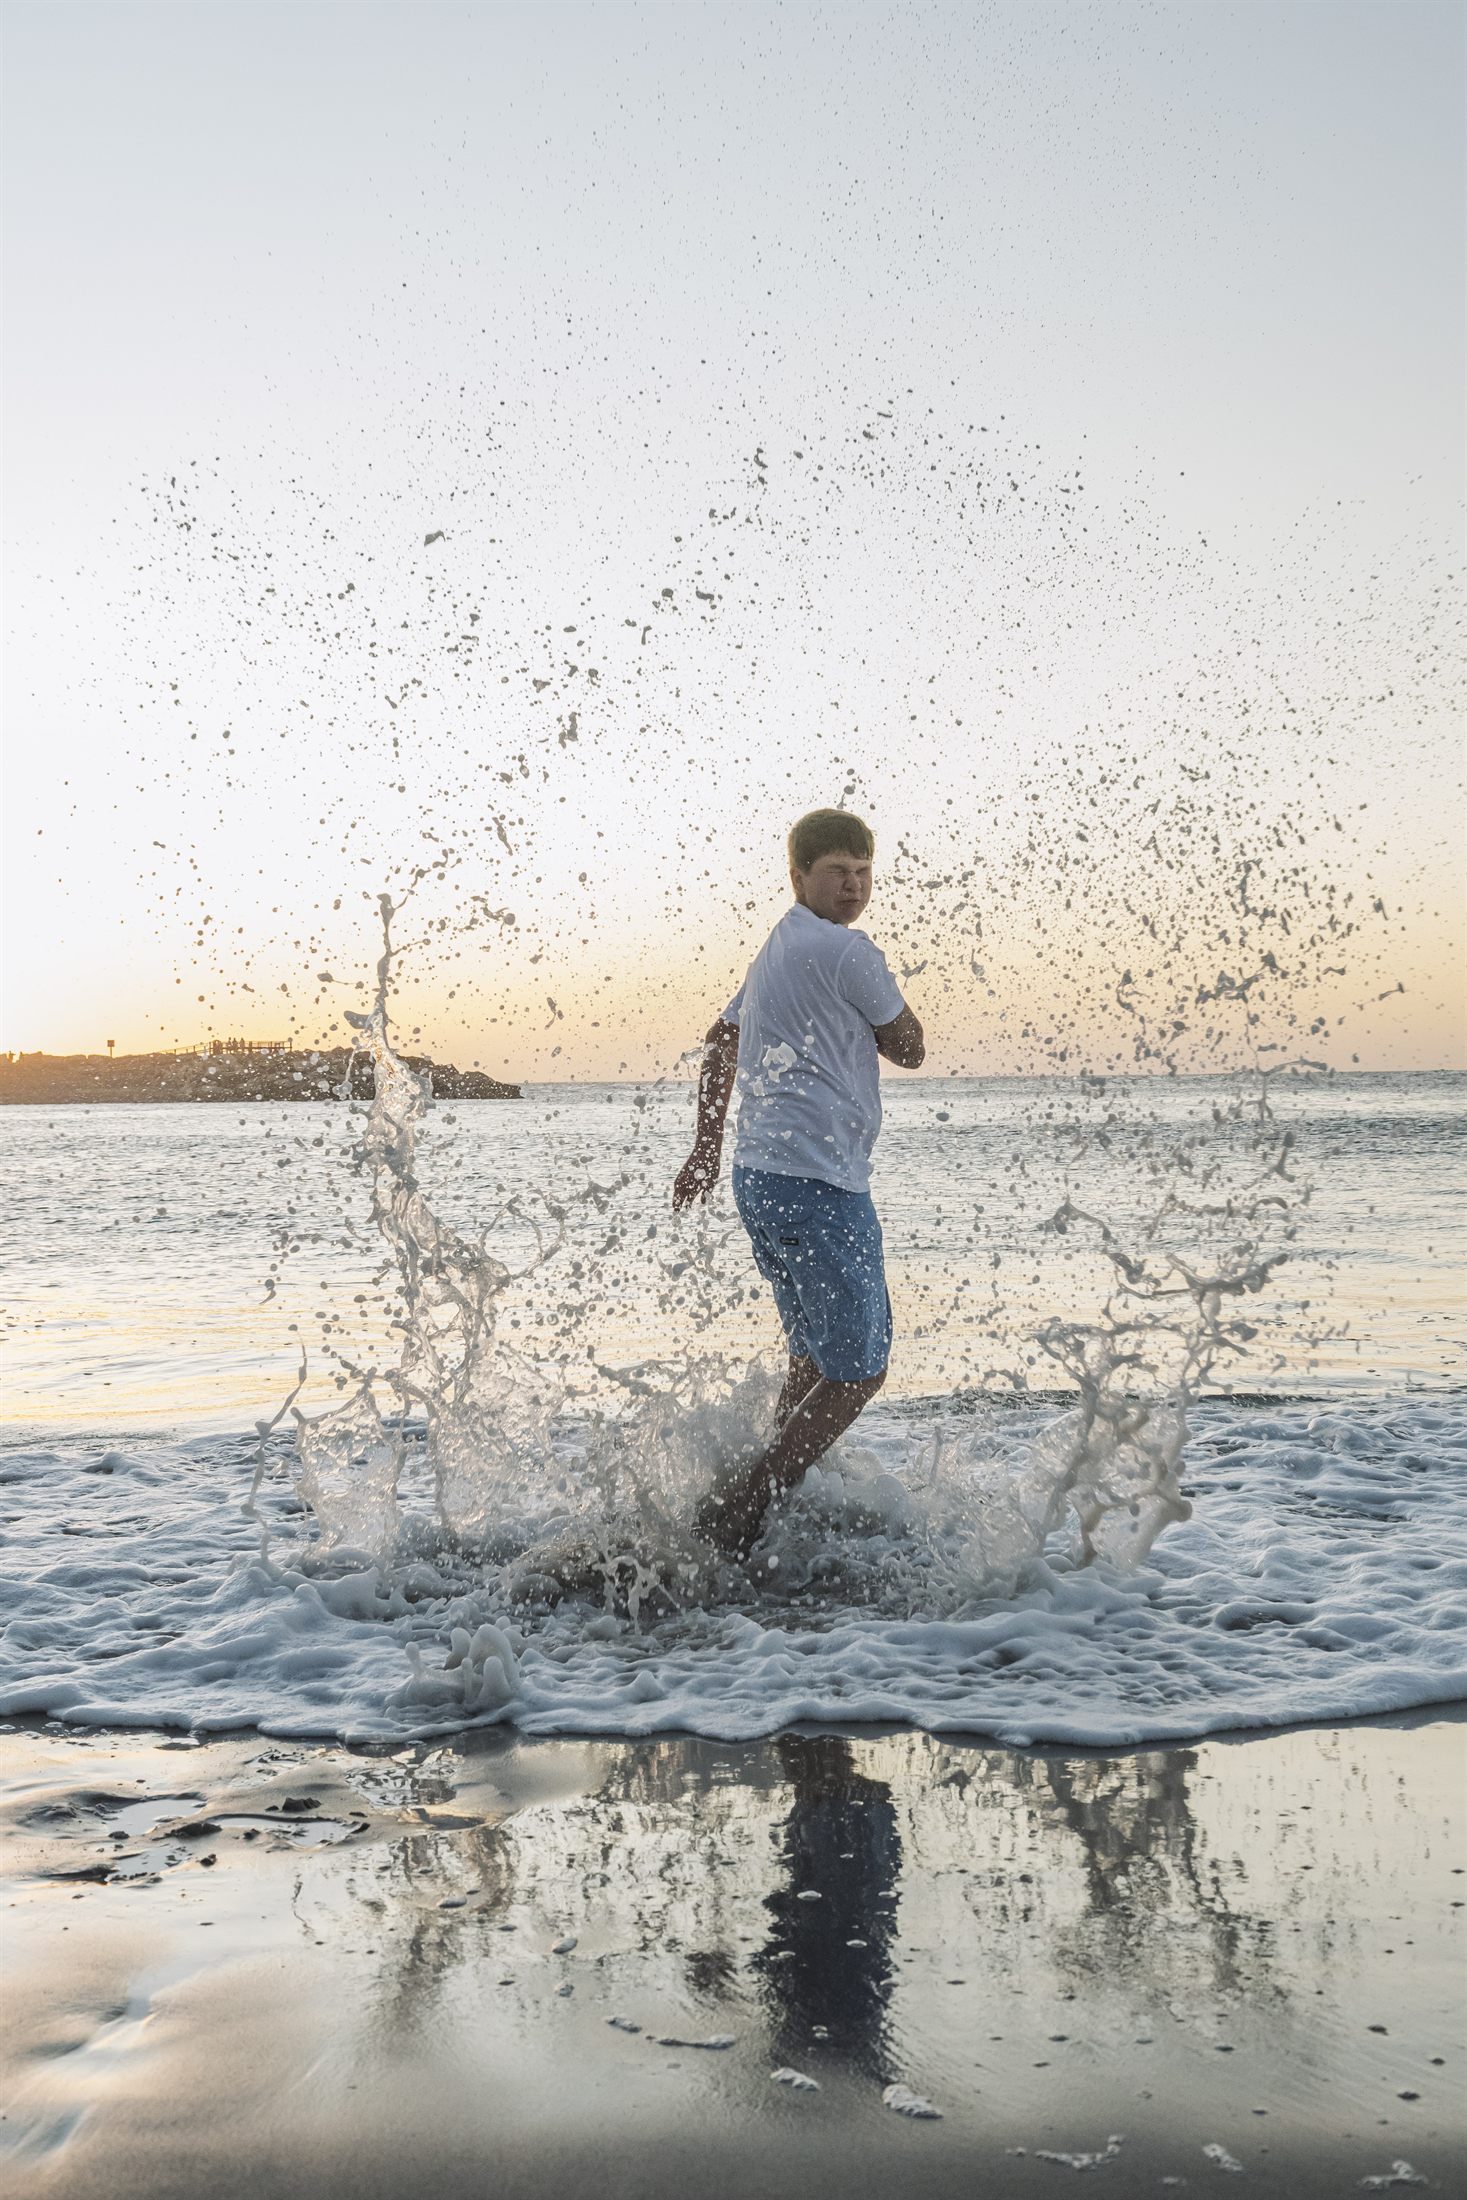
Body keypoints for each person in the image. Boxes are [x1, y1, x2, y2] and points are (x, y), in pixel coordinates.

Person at [672, 808, 925, 1557]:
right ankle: (740, 1515)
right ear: (798, 877)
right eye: (835, 874)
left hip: (762, 1178)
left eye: (862, 874)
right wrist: (881, 1026)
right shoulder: (850, 954)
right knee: (858, 1372)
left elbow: (721, 1042)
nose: (851, 888)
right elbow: (910, 1047)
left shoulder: (776, 947)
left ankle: (764, 1494)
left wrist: (705, 1151)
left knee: (812, 1359)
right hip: (820, 1185)